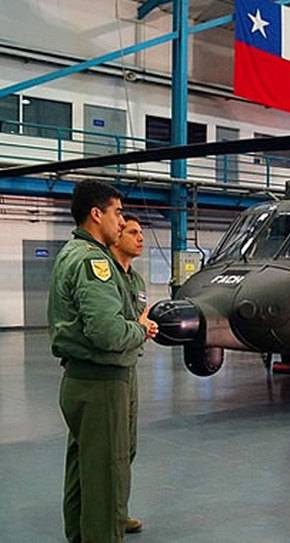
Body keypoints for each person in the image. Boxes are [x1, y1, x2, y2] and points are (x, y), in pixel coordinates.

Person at [48, 180, 158, 542]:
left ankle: (79, 534)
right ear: (97, 214)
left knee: (84, 467)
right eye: (117, 212)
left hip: (83, 379)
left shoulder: (73, 253)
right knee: (107, 474)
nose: (121, 220)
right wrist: (140, 330)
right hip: (101, 381)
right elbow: (108, 333)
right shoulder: (94, 261)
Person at [109, 212, 148, 534]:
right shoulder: (106, 275)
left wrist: (141, 327)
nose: (140, 238)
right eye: (133, 232)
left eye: (141, 232)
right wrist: (140, 327)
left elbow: (139, 320)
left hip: (129, 365)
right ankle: (107, 518)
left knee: (127, 447)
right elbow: (112, 328)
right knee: (112, 450)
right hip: (109, 368)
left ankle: (118, 512)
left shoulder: (135, 280)